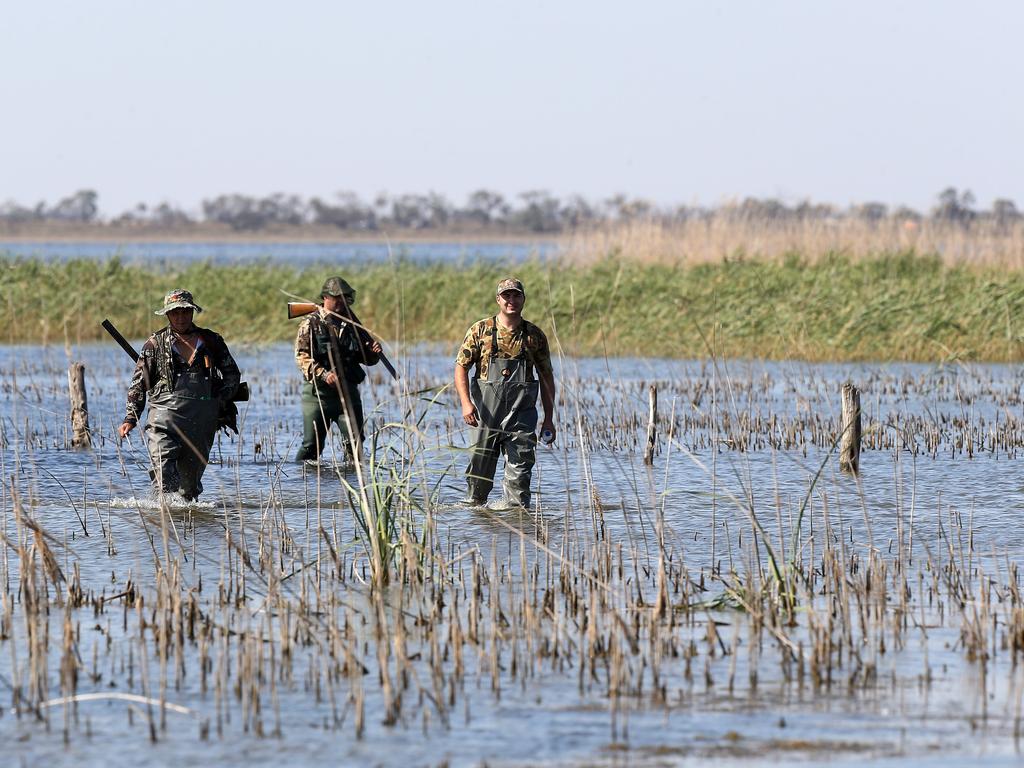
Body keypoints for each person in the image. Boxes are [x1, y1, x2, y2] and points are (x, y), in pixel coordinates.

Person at [118, 289, 241, 501]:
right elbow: (139, 383)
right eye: (175, 313)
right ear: (167, 315)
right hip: (164, 419)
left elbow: (232, 375)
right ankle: (163, 521)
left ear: (192, 312)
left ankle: (185, 525)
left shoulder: (211, 341)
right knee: (162, 471)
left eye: (185, 312)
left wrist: (217, 400)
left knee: (189, 488)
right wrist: (131, 417)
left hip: (200, 421)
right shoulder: (154, 344)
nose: (181, 317)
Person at [454, 277, 556, 509]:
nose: (512, 300)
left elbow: (547, 378)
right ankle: (478, 527)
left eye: (516, 295)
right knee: (477, 483)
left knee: (520, 482)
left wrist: (549, 419)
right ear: (498, 299)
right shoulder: (480, 330)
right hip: (485, 415)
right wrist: (465, 403)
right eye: (506, 296)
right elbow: (461, 367)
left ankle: (516, 526)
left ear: (523, 299)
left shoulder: (534, 336)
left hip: (521, 416)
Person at [294, 276, 383, 462]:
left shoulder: (351, 326)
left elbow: (364, 359)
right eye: (337, 298)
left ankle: (351, 482)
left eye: (344, 298)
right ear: (326, 297)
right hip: (318, 396)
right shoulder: (310, 324)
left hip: (348, 394)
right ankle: (299, 479)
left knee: (355, 445)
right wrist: (324, 374)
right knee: (311, 447)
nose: (342, 302)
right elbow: (302, 357)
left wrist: (373, 352)